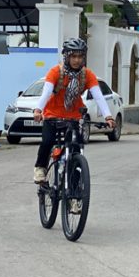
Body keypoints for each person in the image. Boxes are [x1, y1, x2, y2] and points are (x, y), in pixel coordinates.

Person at [32, 37, 115, 184]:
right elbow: (46, 93)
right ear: (66, 56)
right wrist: (38, 110)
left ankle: (75, 194)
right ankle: (40, 168)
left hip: (74, 117)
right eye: (73, 56)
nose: (77, 60)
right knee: (47, 141)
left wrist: (108, 116)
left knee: (76, 150)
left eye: (80, 56)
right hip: (52, 116)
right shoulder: (55, 72)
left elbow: (98, 96)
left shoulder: (87, 75)